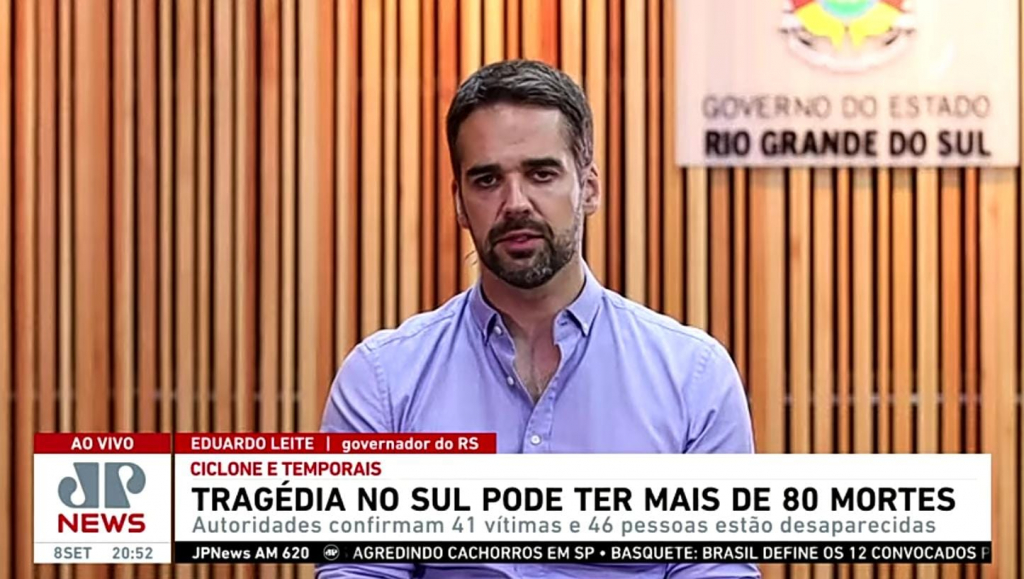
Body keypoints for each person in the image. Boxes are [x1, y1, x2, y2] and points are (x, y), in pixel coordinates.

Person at [318, 59, 759, 579]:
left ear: (589, 188)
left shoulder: (694, 377)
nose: (515, 203)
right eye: (487, 180)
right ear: (459, 202)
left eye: (541, 174)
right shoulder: (383, 379)